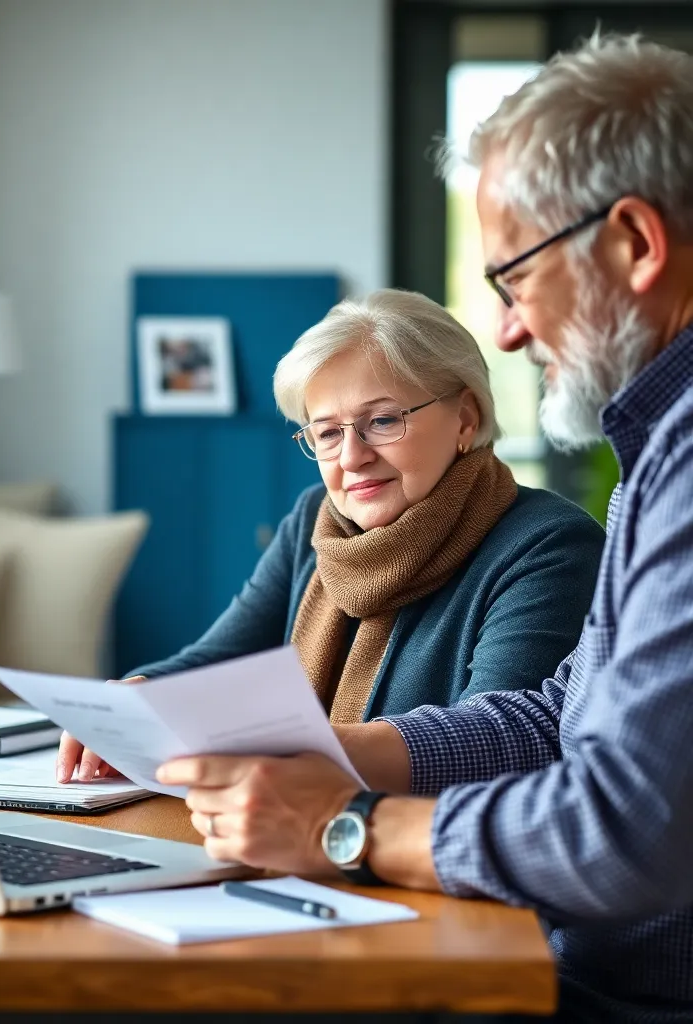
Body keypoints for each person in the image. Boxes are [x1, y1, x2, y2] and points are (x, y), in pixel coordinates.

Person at [157, 33, 693, 1024]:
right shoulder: (656, 454)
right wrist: (333, 756)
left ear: (633, 243)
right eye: (324, 432)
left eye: (514, 279)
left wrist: (346, 826)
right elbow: (551, 717)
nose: (508, 331)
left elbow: (620, 830)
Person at [58, 289, 603, 783]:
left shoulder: (549, 545)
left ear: (464, 418)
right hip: (287, 834)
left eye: (383, 421)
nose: (352, 456)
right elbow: (219, 660)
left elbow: (497, 748)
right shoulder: (314, 520)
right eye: (326, 433)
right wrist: (136, 697)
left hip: (418, 853)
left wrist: (293, 753)